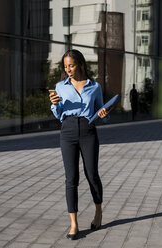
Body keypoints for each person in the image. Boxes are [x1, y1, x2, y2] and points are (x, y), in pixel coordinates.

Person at [49, 49, 109, 240]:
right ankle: (74, 223)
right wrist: (54, 104)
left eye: (71, 65)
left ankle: (98, 211)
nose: (68, 69)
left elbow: (101, 111)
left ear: (80, 65)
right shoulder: (60, 86)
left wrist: (103, 115)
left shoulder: (94, 86)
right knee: (71, 178)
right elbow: (59, 115)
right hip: (67, 131)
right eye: (65, 66)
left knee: (92, 174)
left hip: (88, 130)